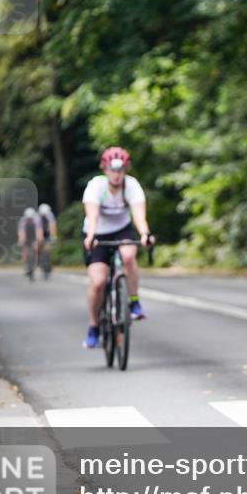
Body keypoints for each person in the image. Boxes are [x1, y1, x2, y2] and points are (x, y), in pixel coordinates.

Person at [81, 146, 152, 349]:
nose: (117, 174)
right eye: (113, 170)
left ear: (126, 170)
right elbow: (92, 215)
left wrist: (145, 234)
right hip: (97, 233)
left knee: (129, 256)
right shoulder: (96, 186)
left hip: (122, 229)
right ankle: (94, 325)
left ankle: (133, 301)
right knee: (98, 282)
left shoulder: (131, 186)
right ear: (105, 170)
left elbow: (139, 215)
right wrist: (92, 236)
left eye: (121, 170)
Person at [17, 207, 44, 280]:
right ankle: (26, 267)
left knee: (34, 252)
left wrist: (38, 241)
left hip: (34, 238)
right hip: (26, 238)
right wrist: (21, 241)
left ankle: (33, 267)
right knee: (25, 254)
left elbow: (39, 231)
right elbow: (21, 232)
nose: (29, 219)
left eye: (30, 218)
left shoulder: (37, 220)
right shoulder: (22, 221)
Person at [37, 203, 58, 276]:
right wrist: (40, 238)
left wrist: (53, 236)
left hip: (47, 234)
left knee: (47, 250)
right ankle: (39, 260)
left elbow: (53, 226)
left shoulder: (50, 215)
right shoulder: (38, 217)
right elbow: (38, 229)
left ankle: (48, 263)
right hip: (40, 233)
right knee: (38, 248)